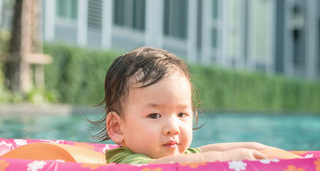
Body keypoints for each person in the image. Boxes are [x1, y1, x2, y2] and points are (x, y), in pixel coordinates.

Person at [95, 47, 290, 164]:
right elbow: (160, 167)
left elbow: (206, 150)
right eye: (154, 115)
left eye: (181, 114)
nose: (173, 128)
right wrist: (224, 159)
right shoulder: (125, 160)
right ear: (117, 127)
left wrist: (261, 149)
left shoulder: (179, 153)